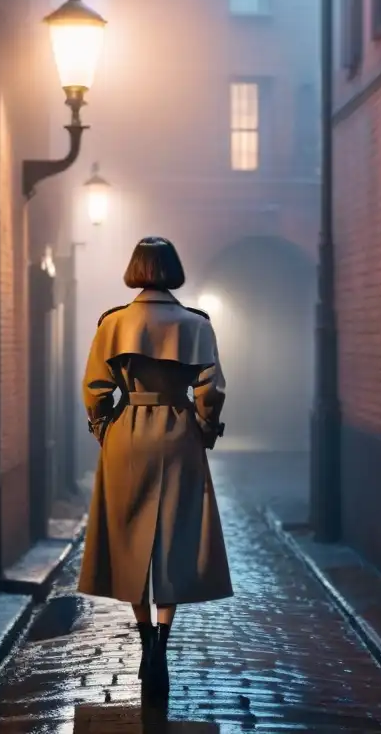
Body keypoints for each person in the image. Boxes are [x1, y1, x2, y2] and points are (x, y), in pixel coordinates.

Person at [77, 236, 233, 702]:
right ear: (173, 270)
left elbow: (95, 389)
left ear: (135, 270)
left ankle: (143, 640)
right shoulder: (197, 324)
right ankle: (163, 645)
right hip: (178, 432)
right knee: (174, 536)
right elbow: (210, 389)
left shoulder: (113, 322)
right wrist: (203, 428)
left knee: (127, 537)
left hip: (126, 434)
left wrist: (105, 428)